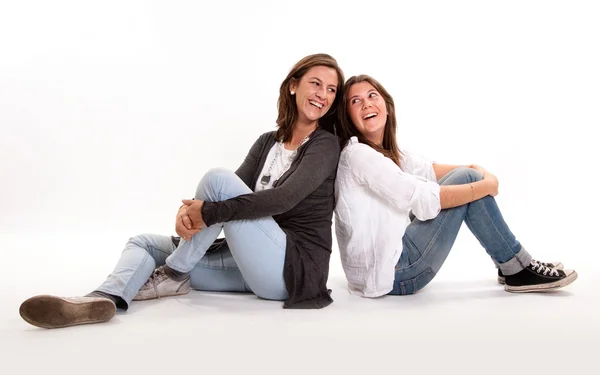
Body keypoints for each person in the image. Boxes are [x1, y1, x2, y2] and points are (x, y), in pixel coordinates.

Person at [19, 53, 345, 329]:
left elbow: (281, 199)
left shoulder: (324, 145)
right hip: (247, 266)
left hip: (289, 271)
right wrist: (188, 213)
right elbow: (232, 193)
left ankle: (174, 272)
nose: (323, 94)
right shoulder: (266, 143)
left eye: (331, 89)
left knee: (216, 179)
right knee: (143, 243)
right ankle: (106, 298)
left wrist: (204, 213)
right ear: (293, 86)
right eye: (315, 83)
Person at [334, 74, 577, 297]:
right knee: (467, 182)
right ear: (349, 117)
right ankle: (516, 267)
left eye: (372, 95)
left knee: (467, 177)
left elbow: (431, 170)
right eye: (355, 101)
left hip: (384, 268)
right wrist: (483, 185)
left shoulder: (391, 154)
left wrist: (480, 173)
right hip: (395, 273)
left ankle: (512, 265)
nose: (366, 104)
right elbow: (424, 197)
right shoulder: (359, 155)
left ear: (386, 106)